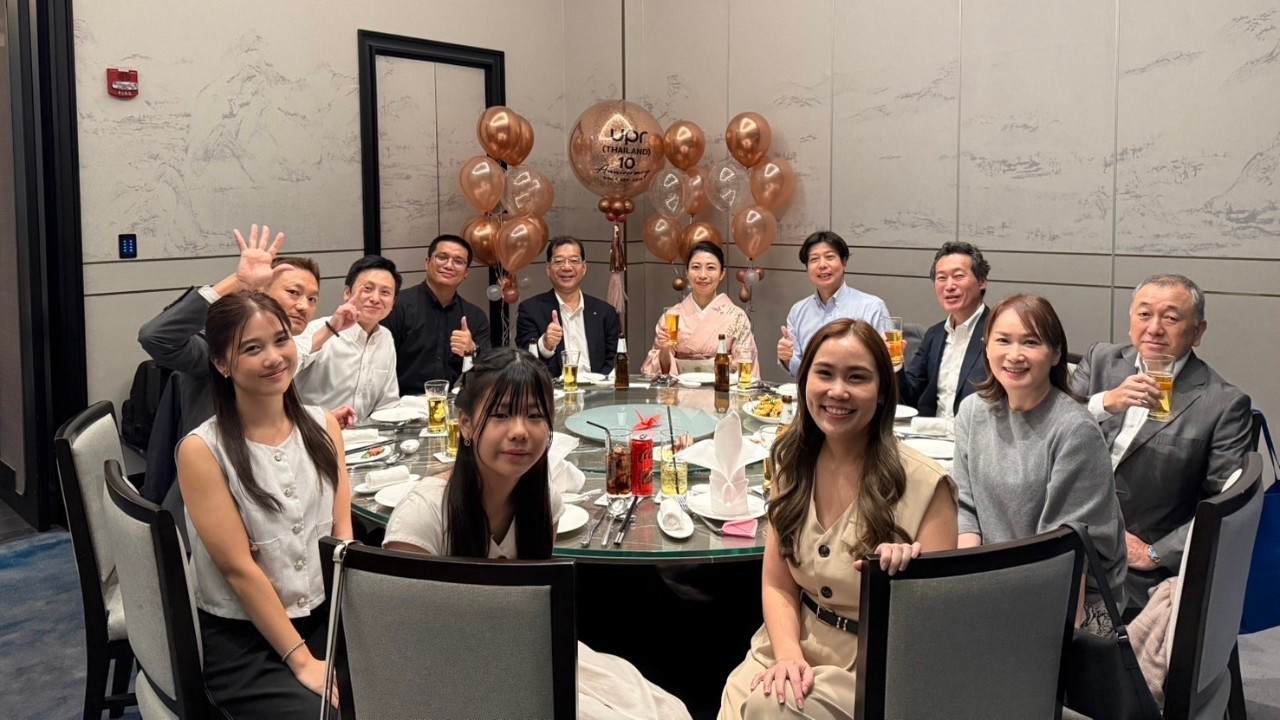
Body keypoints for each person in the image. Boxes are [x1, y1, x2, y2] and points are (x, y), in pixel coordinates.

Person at [382, 347, 691, 719]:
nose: (519, 432)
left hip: (527, 654)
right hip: (452, 680)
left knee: (667, 710)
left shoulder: (544, 501)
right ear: (464, 424)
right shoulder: (424, 515)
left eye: (534, 416)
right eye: (500, 415)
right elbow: (402, 646)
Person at [719, 319, 957, 719]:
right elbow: (778, 581)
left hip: (878, 666)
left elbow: (934, 627)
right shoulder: (790, 461)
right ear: (804, 380)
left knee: (772, 708)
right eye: (824, 374)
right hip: (791, 640)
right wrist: (789, 656)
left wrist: (905, 580)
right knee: (746, 698)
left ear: (882, 393)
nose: (838, 391)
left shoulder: (926, 486)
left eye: (857, 378)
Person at [177, 292, 353, 716]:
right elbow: (240, 571)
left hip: (324, 615)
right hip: (245, 638)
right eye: (252, 348)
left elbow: (342, 534)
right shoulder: (203, 450)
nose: (274, 358)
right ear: (222, 363)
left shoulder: (324, 425)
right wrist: (303, 661)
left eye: (281, 340)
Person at [1069, 274, 1252, 610]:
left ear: (1198, 332)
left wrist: (1157, 553)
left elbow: (1225, 505)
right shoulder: (1101, 360)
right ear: (1130, 322)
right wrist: (1106, 402)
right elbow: (1053, 422)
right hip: (1064, 535)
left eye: (1170, 318)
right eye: (1144, 314)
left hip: (1132, 569)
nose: (1154, 328)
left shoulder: (1222, 404)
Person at [953, 294, 1127, 634]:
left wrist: (1052, 645)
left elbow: (1065, 549)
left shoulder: (1075, 430)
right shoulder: (972, 412)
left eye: (1031, 342)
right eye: (1003, 341)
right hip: (995, 582)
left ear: (1056, 353)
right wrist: (965, 589)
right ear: (986, 348)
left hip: (1070, 603)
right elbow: (966, 507)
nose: (1015, 355)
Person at [138, 224, 323, 506]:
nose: (303, 306)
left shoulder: (288, 352)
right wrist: (238, 282)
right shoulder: (221, 348)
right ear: (262, 290)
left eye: (312, 299)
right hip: (214, 496)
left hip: (272, 485)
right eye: (294, 293)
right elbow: (156, 337)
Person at [295, 255, 402, 423]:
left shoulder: (385, 337)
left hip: (365, 439)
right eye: (367, 289)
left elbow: (387, 404)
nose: (375, 298)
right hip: (313, 435)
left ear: (394, 301)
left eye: (385, 293)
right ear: (347, 293)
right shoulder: (317, 331)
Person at [383, 234, 491, 394]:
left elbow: (491, 368)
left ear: (466, 272)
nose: (449, 265)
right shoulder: (396, 306)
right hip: (400, 404)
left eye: (458, 261)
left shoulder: (474, 316)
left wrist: (472, 350)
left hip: (451, 404)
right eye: (442, 257)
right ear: (427, 263)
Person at [778, 231, 891, 378]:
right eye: (814, 259)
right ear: (807, 267)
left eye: (830, 257)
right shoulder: (798, 311)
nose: (822, 265)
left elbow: (886, 366)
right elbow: (800, 372)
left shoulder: (872, 307)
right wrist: (787, 358)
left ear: (844, 263)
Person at [899, 241, 992, 418]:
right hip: (931, 437)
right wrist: (894, 365)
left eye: (958, 276)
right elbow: (909, 397)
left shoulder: (997, 332)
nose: (949, 286)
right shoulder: (934, 334)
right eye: (941, 278)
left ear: (982, 282)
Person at [641, 241, 759, 376]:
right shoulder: (672, 315)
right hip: (680, 391)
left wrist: (727, 365)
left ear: (722, 274)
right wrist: (664, 350)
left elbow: (746, 364)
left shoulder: (737, 316)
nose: (703, 275)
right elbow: (661, 371)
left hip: (722, 390)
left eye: (711, 268)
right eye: (696, 267)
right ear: (687, 272)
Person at [516, 236, 621, 377]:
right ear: (548, 269)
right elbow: (526, 362)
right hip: (554, 393)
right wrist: (546, 344)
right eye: (558, 261)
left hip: (598, 392)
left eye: (574, 261)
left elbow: (616, 357)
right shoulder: (530, 310)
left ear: (584, 268)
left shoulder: (605, 312)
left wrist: (601, 386)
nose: (566, 267)